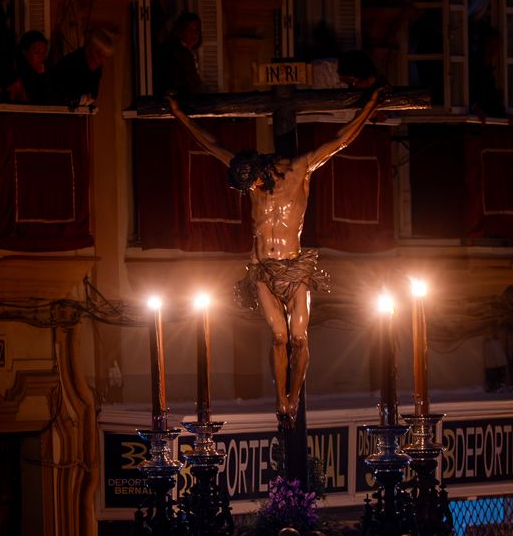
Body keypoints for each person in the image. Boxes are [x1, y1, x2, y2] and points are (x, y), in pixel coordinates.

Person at [162, 82, 386, 423]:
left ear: (260, 174)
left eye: (250, 186)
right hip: (264, 271)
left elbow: (340, 140)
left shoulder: (299, 171)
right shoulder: (250, 178)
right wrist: (180, 115)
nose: (249, 191)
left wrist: (369, 106)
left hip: (295, 269)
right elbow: (212, 146)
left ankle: (294, 398)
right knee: (279, 336)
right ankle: (280, 400)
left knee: (299, 337)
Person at [51, 28, 115, 105]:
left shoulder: (97, 70)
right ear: (91, 50)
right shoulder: (71, 63)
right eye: (100, 55)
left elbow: (93, 95)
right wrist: (82, 99)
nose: (102, 61)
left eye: (106, 57)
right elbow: (60, 94)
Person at [154, 12, 203, 95]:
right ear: (180, 31)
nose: (193, 34)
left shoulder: (188, 52)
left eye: (196, 30)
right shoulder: (178, 53)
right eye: (189, 29)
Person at [5, 30, 54, 103]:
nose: (41, 57)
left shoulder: (45, 73)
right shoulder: (16, 75)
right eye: (37, 52)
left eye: (44, 53)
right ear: (25, 51)